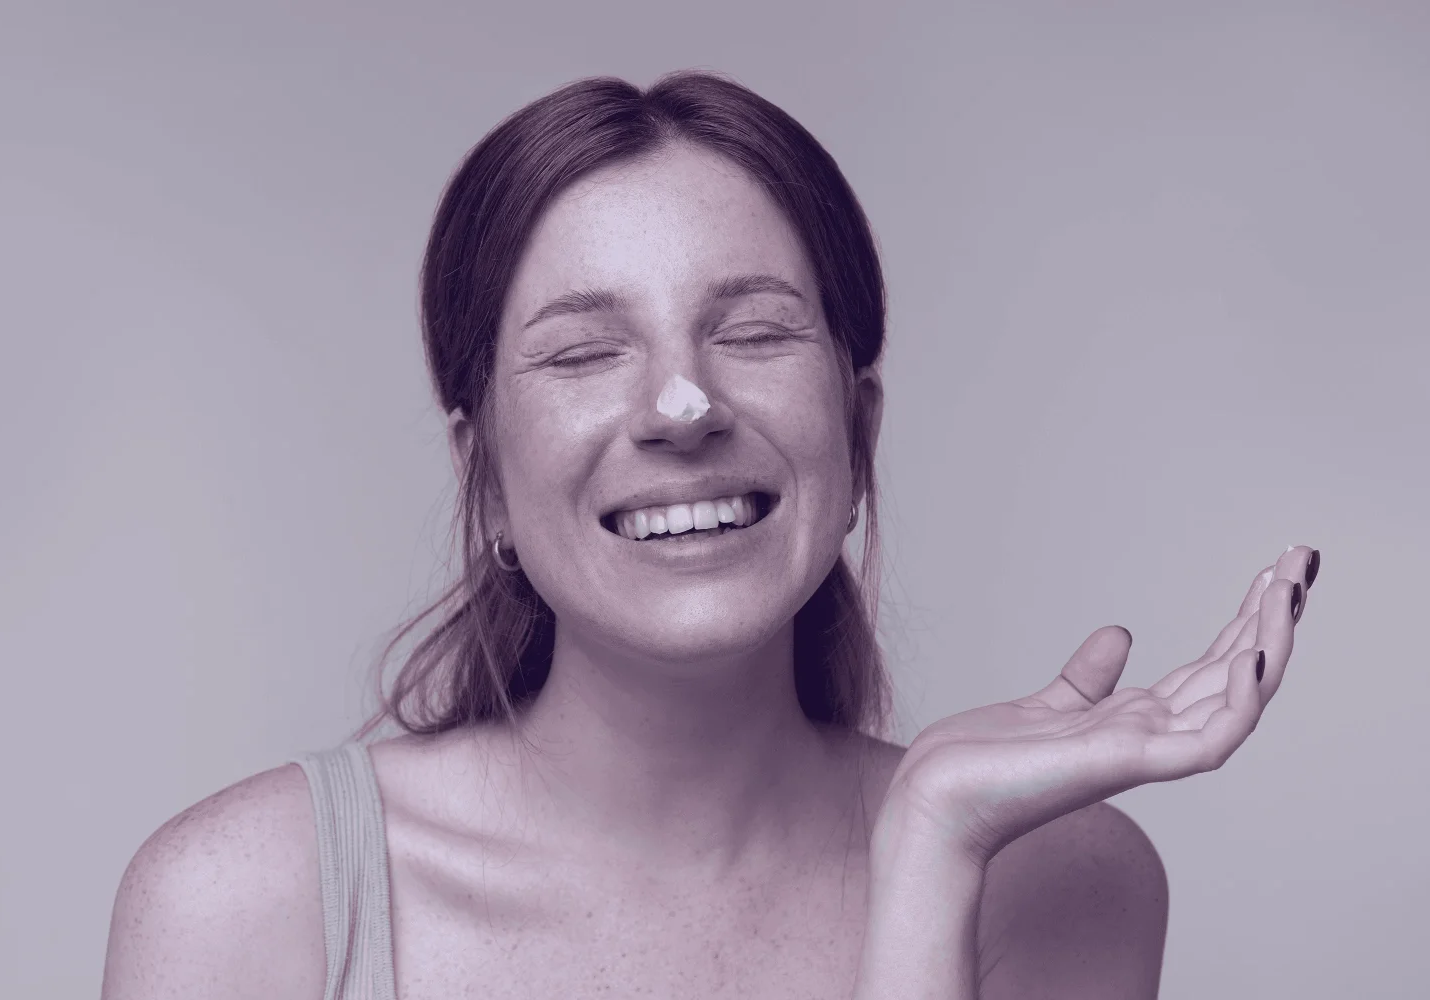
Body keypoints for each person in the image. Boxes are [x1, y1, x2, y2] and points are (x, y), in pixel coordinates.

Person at [99, 71, 1321, 1000]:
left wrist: (935, 852)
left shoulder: (1062, 879)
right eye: (584, 352)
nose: (681, 406)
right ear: (482, 480)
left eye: (752, 331)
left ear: (858, 435)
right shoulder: (242, 904)